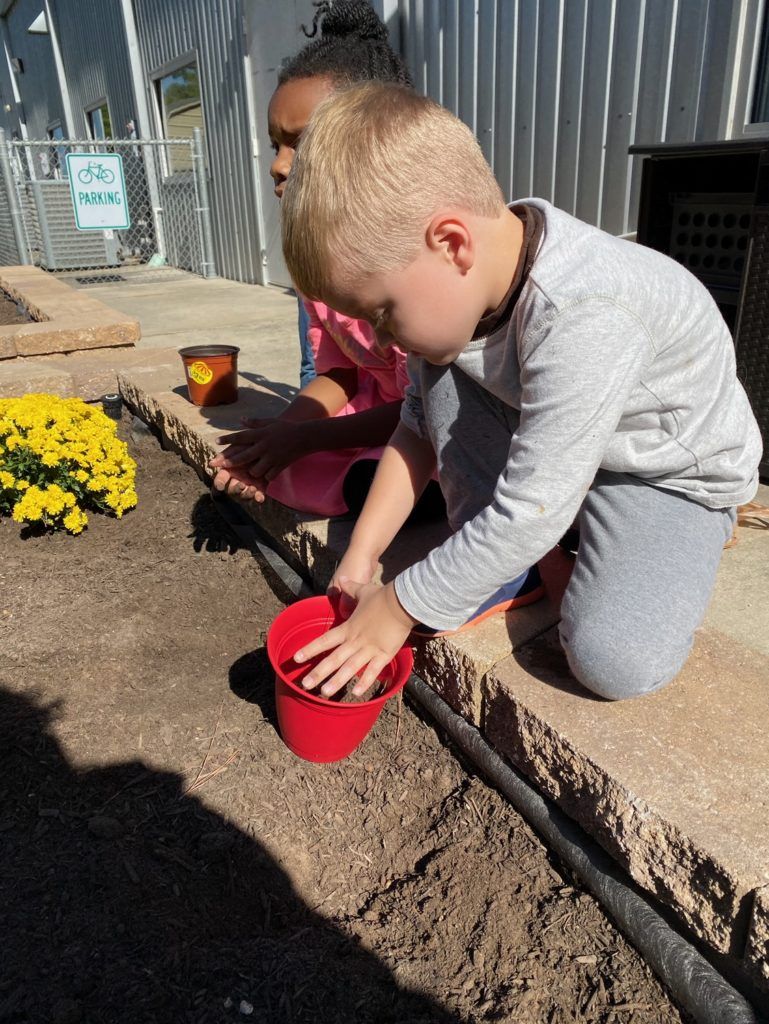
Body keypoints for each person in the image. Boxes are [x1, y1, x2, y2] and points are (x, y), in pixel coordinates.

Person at [279, 82, 763, 701]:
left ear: (452, 244)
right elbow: (417, 429)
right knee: (447, 371)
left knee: (612, 660)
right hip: (573, 442)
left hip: (664, 469)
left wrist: (400, 608)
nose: (382, 336)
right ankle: (528, 547)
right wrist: (359, 559)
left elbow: (533, 503)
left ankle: (692, 526)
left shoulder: (586, 310)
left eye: (381, 312)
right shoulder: (463, 294)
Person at [209, 0, 445, 524]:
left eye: (301, 143)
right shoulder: (314, 258)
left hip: (437, 427)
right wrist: (285, 434)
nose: (278, 165)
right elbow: (338, 372)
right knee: (294, 465)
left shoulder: (423, 259)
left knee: (388, 474)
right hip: (372, 420)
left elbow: (432, 411)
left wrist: (311, 436)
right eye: (275, 144)